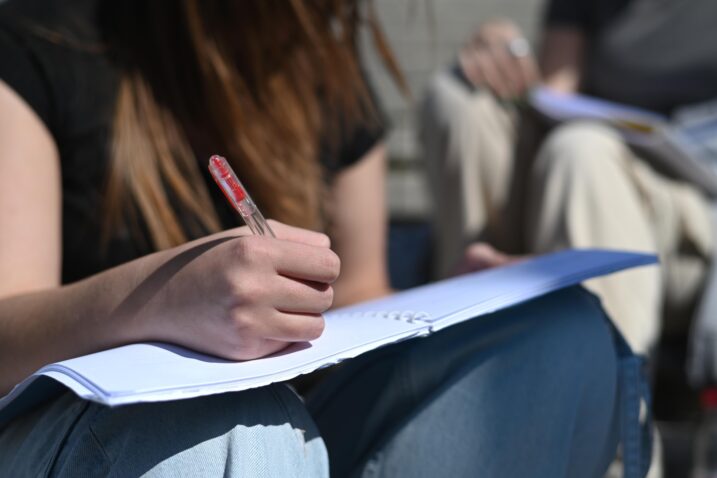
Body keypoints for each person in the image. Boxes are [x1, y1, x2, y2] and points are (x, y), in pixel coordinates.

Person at [0, 0, 636, 476]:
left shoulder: (320, 58)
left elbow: (359, 290)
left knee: (560, 333)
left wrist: (457, 306)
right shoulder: (42, 42)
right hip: (112, 442)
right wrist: (161, 300)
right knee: (236, 433)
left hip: (310, 420)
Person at [421, 0, 716, 360]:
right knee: (462, 99)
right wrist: (503, 58)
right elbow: (557, 98)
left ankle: (613, 397)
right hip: (583, 186)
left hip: (692, 218)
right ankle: (464, 341)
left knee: (581, 149)